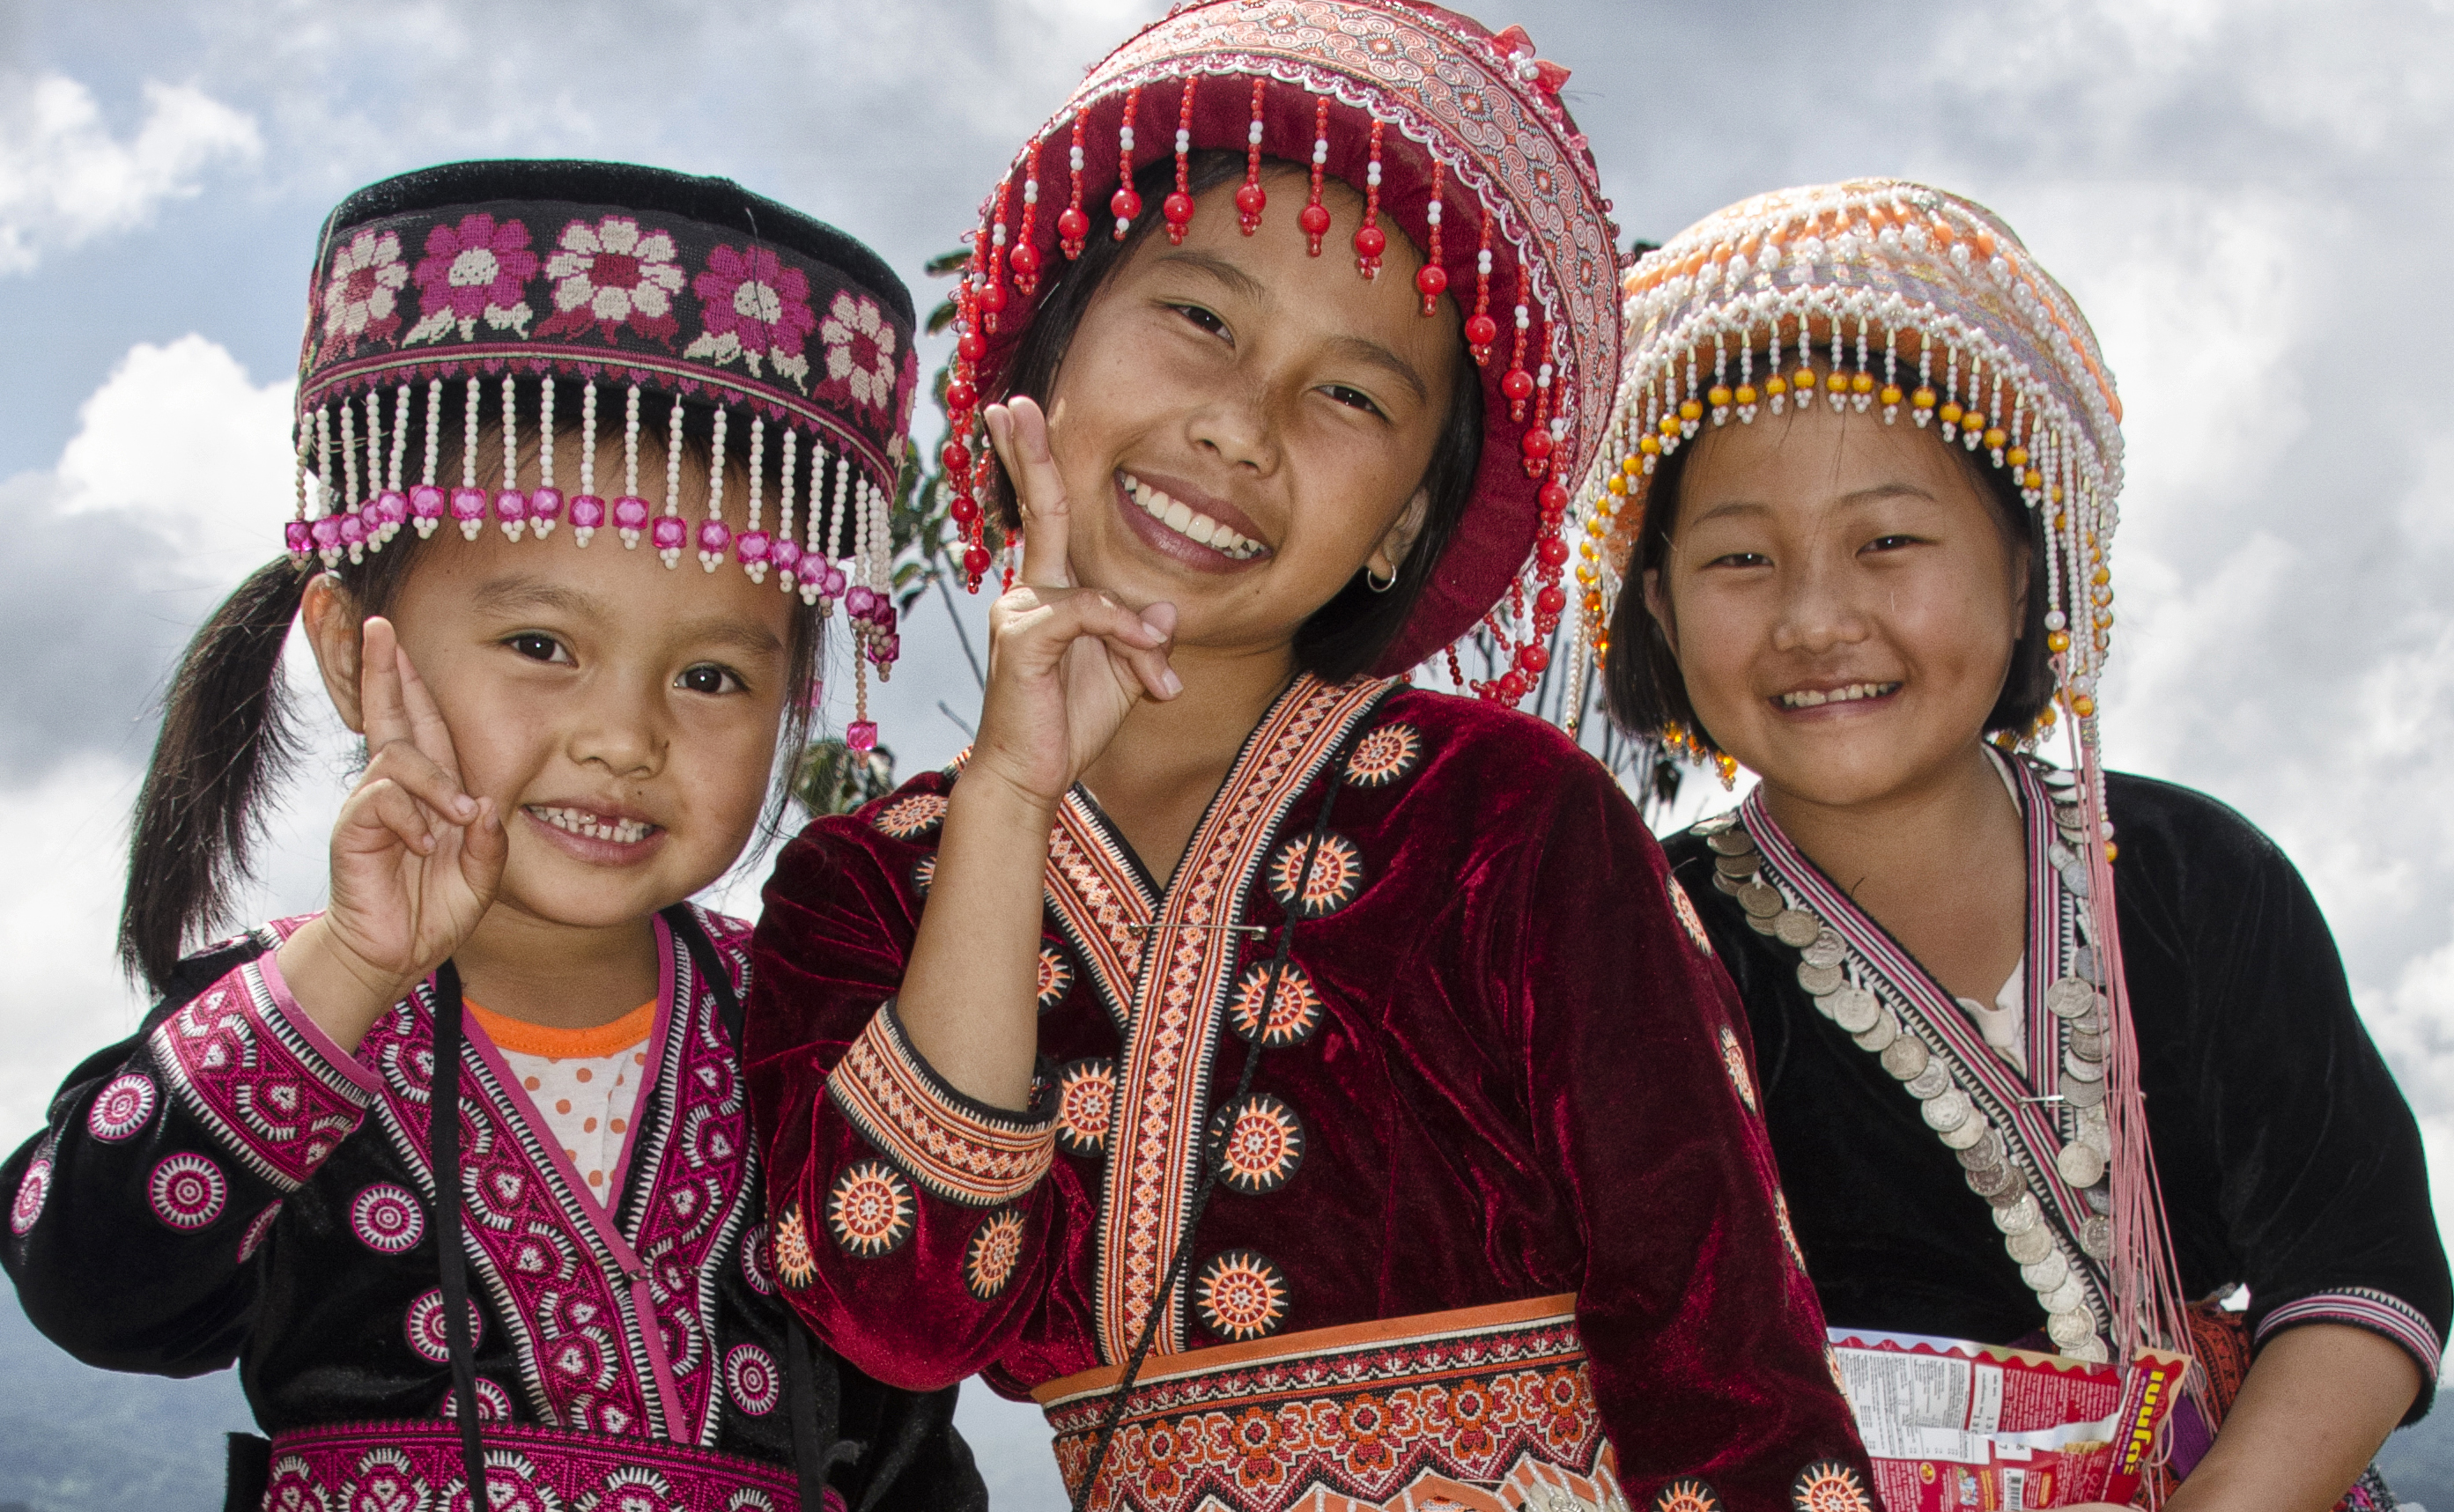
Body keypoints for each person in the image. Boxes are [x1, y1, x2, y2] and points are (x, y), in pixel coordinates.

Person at [745, 7, 1877, 1511]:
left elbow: (1720, 1360)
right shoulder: (862, 885)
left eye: (1350, 393)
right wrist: (1008, 802)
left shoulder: (1507, 819)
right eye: (1201, 318)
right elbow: (901, 1313)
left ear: (1407, 516)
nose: (1241, 423)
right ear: (1050, 355)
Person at [1, 159, 980, 1512]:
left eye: (712, 676)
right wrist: (348, 970)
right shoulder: (292, 1014)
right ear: (354, 649)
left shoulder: (804, 1038)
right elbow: (91, 1286)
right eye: (540, 643)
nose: (624, 736)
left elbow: (912, 1458)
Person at [1577, 178, 2450, 1510]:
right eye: (1741, 560)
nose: (1816, 617)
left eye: (1887, 540)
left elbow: (2359, 1266)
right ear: (1656, 602)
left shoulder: (2190, 876)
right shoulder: (1644, 946)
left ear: (2024, 560)